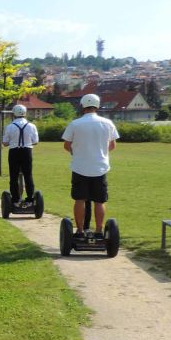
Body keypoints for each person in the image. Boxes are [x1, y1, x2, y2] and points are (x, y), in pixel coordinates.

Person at [62, 93, 119, 238]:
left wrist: (77, 153)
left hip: (80, 166)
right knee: (99, 201)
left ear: (82, 106)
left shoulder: (75, 124)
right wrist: (101, 153)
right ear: (97, 106)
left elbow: (67, 145)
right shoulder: (108, 123)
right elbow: (112, 145)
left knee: (80, 200)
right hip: (100, 167)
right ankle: (99, 231)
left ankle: (80, 231)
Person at [2, 104, 39, 206]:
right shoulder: (32, 126)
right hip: (27, 151)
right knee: (28, 175)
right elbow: (35, 142)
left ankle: (15, 200)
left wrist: (13, 141)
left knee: (13, 177)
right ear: (25, 113)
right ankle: (30, 199)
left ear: (14, 114)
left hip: (14, 152)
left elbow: (5, 143)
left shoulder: (10, 127)